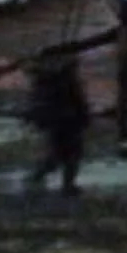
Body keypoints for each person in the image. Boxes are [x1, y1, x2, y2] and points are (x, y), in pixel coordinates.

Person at [25, 54, 91, 197]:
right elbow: (79, 102)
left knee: (58, 154)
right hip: (69, 123)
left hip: (59, 123)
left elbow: (37, 104)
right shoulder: (67, 82)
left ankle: (40, 176)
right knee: (71, 155)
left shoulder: (45, 83)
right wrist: (85, 117)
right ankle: (67, 185)